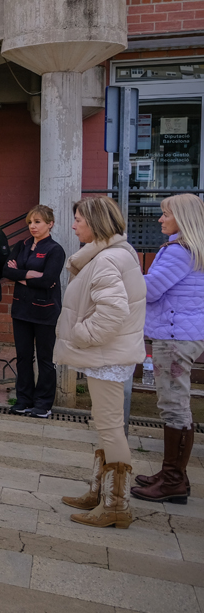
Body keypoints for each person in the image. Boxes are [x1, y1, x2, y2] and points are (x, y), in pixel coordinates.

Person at [56, 197, 145, 528]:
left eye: (78, 218)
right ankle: (99, 491)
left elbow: (113, 311)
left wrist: (81, 334)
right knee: (105, 424)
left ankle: (116, 506)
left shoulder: (107, 259)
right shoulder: (114, 253)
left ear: (95, 223)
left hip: (109, 355)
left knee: (110, 428)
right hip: (109, 354)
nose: (74, 224)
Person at [132, 194, 204, 505]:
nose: (160, 219)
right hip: (180, 333)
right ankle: (173, 475)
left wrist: (124, 274)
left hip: (174, 337)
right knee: (174, 404)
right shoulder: (188, 248)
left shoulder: (179, 251)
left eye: (165, 214)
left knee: (173, 405)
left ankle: (173, 480)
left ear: (182, 217)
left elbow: (150, 290)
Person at [2, 204, 65, 417]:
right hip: (21, 309)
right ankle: (24, 400)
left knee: (45, 358)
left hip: (45, 311)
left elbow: (48, 281)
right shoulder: (22, 245)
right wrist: (30, 274)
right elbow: (6, 270)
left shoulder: (55, 250)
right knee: (23, 356)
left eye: (37, 222)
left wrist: (20, 275)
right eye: (30, 222)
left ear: (50, 224)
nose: (32, 226)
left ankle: (43, 404)